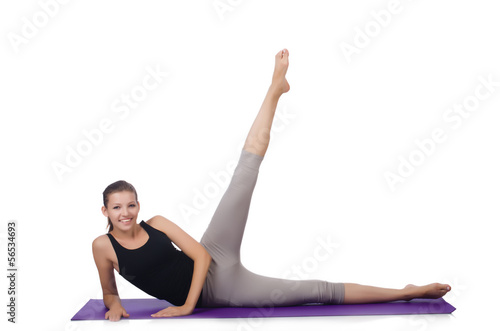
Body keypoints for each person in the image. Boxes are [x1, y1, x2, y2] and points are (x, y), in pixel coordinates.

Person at [92, 49, 451, 321]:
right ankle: (406, 292)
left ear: (138, 205)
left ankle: (275, 89)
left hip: (213, 258)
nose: (126, 212)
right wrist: (114, 306)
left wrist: (186, 306)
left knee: (243, 174)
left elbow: (200, 255)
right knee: (317, 291)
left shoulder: (156, 224)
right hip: (225, 291)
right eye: (118, 207)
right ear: (106, 211)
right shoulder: (102, 246)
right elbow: (110, 291)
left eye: (131, 204)